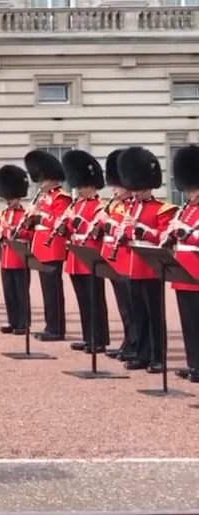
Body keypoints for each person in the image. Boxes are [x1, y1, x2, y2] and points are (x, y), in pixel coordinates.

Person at [116, 147, 175, 373]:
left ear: (148, 186)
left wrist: (139, 228)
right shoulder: (130, 207)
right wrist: (123, 232)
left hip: (150, 267)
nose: (136, 193)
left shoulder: (162, 209)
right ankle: (141, 353)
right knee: (138, 313)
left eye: (139, 189)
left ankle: (157, 357)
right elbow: (127, 236)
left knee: (154, 315)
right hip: (132, 266)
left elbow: (163, 238)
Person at [61, 150, 110, 354]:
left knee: (94, 299)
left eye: (83, 186)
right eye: (79, 186)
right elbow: (70, 231)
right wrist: (66, 222)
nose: (80, 190)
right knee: (82, 300)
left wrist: (76, 220)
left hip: (91, 256)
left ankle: (98, 339)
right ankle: (87, 335)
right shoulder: (77, 205)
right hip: (76, 256)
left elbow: (95, 230)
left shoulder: (100, 205)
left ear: (92, 186)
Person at [23, 150, 73, 342]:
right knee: (46, 290)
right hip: (41, 247)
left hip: (53, 248)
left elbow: (60, 223)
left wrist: (39, 215)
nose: (40, 184)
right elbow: (39, 224)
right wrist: (29, 220)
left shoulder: (62, 198)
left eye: (43, 180)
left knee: (53, 291)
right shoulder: (43, 198)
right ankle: (49, 325)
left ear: (52, 179)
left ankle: (57, 329)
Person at [98, 150, 136, 362]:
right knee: (123, 306)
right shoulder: (117, 205)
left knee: (132, 306)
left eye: (117, 185)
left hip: (128, 261)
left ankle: (135, 342)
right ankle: (128, 340)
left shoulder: (131, 207)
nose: (114, 190)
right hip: (114, 260)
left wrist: (108, 222)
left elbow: (126, 232)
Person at [167, 145, 199, 382]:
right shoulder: (187, 209)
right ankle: (193, 363)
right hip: (183, 269)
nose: (190, 193)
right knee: (188, 322)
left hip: (196, 269)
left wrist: (185, 234)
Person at [0, 165, 32, 335]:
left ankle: (23, 323)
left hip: (19, 257)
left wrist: (13, 230)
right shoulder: (3, 213)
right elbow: (1, 231)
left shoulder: (25, 214)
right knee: (9, 292)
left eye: (11, 198)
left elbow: (30, 234)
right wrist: (1, 233)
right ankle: (13, 321)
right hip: (6, 257)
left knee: (21, 293)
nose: (8, 201)